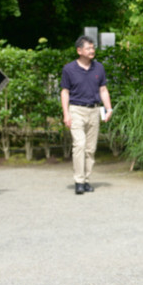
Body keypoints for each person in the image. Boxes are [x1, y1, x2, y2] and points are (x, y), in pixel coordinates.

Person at [61, 36, 112, 195]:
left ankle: (86, 180)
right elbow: (65, 92)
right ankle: (78, 181)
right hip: (76, 110)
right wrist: (66, 113)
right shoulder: (68, 69)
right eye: (88, 48)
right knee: (80, 145)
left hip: (94, 111)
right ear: (79, 50)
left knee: (90, 149)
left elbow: (103, 90)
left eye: (92, 48)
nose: (92, 51)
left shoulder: (99, 68)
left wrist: (108, 108)